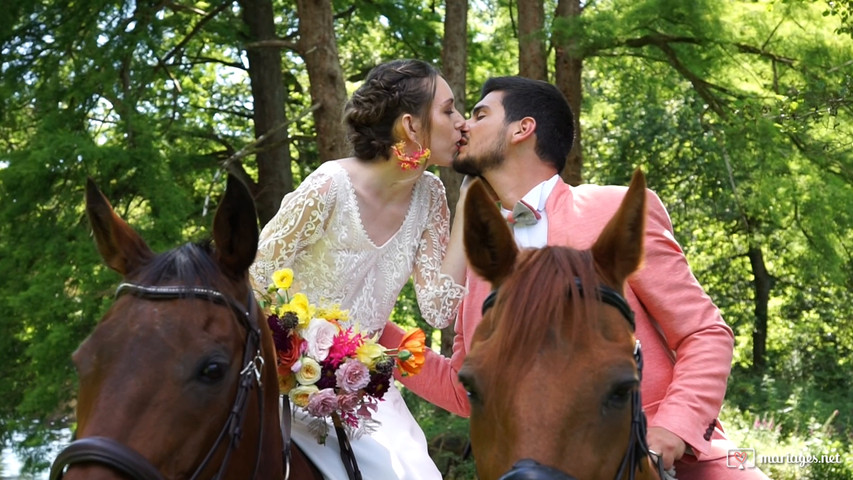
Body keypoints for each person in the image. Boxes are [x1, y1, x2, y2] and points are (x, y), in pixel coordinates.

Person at [379, 76, 769, 479]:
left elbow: (704, 333)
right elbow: (463, 390)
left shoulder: (612, 210)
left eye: (479, 115)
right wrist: (371, 332)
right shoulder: (479, 261)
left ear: (522, 129)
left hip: (657, 459)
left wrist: (672, 429)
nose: (463, 125)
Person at [249, 59, 468, 480]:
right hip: (282, 386)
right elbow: (254, 279)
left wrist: (469, 202)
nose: (461, 123)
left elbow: (439, 310)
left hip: (361, 393)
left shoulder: (431, 195)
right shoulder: (329, 187)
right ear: (411, 125)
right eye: (448, 110)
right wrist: (292, 362)